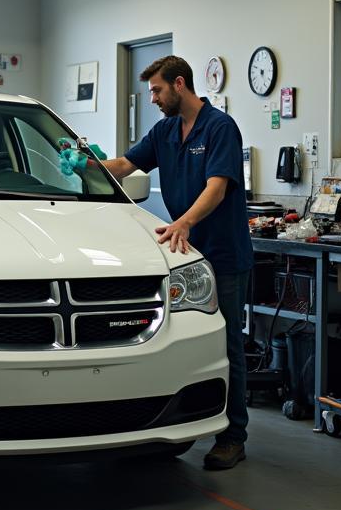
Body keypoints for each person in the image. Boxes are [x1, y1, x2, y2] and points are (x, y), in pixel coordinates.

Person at [101, 55, 253, 470]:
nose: (152, 98)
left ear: (179, 84)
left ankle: (232, 437)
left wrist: (183, 222)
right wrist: (85, 167)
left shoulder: (220, 127)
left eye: (157, 90)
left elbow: (217, 188)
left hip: (221, 254)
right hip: (184, 257)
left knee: (227, 346)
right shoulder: (165, 130)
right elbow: (124, 166)